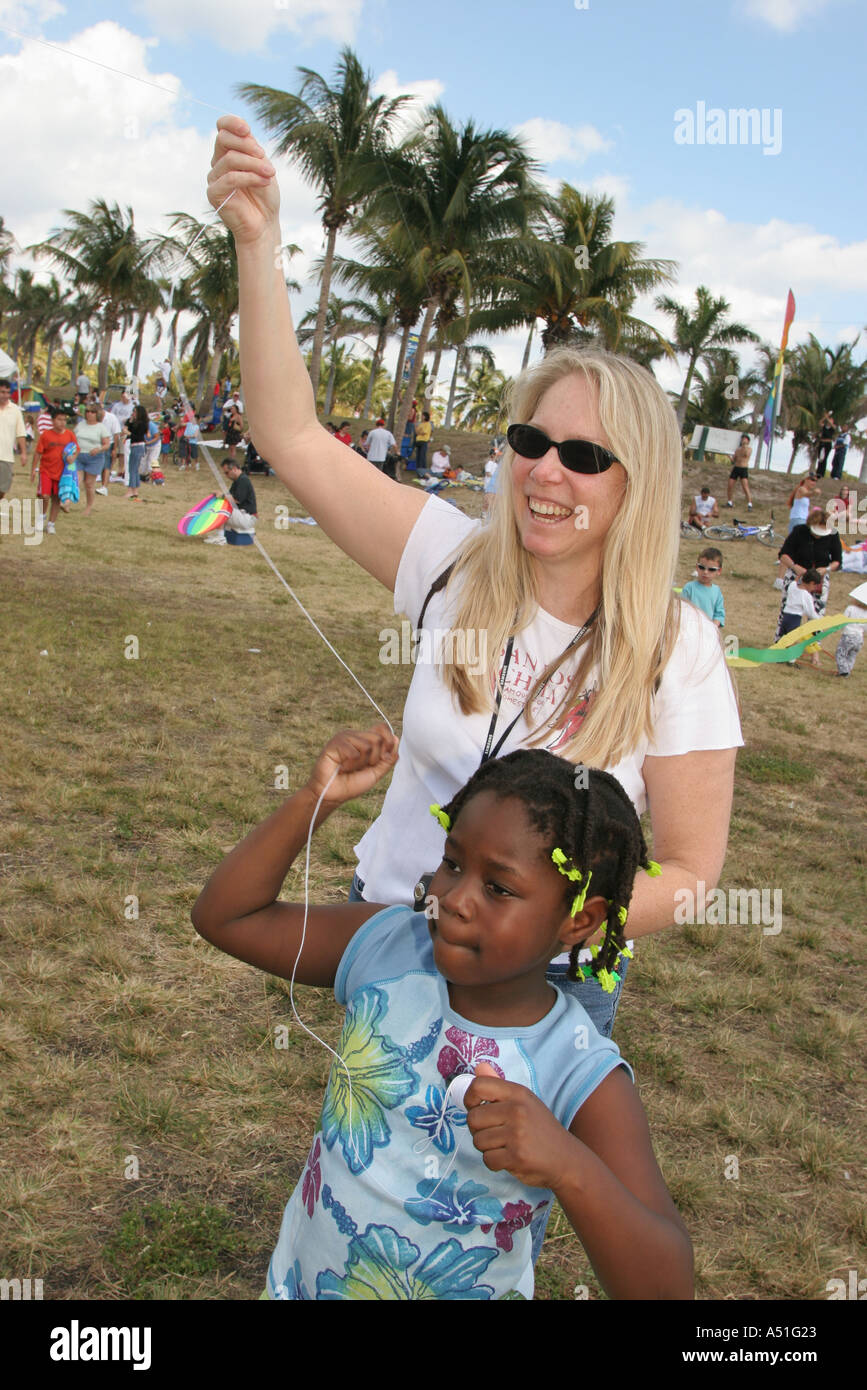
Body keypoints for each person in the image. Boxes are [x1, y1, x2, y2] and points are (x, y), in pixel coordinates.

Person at [206, 114, 742, 1049]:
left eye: (584, 455)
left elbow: (692, 869)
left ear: (638, 483)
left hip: (548, 995)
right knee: (371, 1179)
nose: (546, 473)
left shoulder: (678, 652)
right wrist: (259, 243)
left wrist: (540, 937)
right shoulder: (448, 557)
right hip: (390, 940)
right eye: (532, 442)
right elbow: (289, 435)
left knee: (489, 1197)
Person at [191, 724, 694, 1302]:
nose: (453, 897)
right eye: (453, 863)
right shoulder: (387, 948)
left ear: (578, 921)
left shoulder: (578, 1070)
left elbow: (668, 1286)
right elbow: (226, 917)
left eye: (499, 889)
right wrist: (315, 801)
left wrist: (568, 1165)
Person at [773, 507, 842, 642]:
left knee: (817, 613)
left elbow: (837, 561)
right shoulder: (799, 531)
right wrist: (795, 567)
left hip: (819, 579)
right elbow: (783, 554)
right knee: (788, 610)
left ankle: (813, 647)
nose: (820, 535)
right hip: (797, 577)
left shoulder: (833, 534)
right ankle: (782, 642)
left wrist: (825, 569)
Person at [31, 406, 76, 533]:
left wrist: (73, 457)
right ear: (52, 420)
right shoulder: (46, 435)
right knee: (44, 495)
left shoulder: (70, 435)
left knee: (56, 498)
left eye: (64, 420)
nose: (62, 422)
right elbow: (38, 453)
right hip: (46, 470)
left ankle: (51, 524)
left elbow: (75, 449)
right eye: (59, 419)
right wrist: (33, 469)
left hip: (62, 473)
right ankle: (42, 517)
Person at [204, 458, 258, 545]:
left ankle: (220, 538)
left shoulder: (243, 480)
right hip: (243, 514)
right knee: (219, 504)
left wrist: (222, 495)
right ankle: (219, 534)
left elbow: (237, 499)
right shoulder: (238, 480)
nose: (226, 475)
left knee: (220, 509)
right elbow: (230, 498)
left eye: (227, 472)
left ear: (234, 469)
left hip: (247, 517)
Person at [779, 569, 823, 666]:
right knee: (794, 641)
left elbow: (794, 581)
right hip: (795, 619)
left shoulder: (792, 586)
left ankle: (780, 656)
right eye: (815, 585)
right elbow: (810, 612)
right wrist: (821, 620)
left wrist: (800, 574)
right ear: (811, 583)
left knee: (784, 638)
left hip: (785, 617)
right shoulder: (806, 595)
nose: (815, 588)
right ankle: (791, 661)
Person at [74, 403, 110, 516]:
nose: (89, 414)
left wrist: (99, 449)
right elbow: (72, 437)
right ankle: (67, 502)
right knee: (76, 480)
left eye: (92, 412)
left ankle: (88, 507)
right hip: (79, 456)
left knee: (89, 484)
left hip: (94, 458)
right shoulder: (80, 424)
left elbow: (107, 444)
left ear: (97, 414)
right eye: (88, 411)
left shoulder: (101, 428)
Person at [680, 549, 725, 628]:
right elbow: (682, 610)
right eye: (702, 567)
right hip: (690, 628)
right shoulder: (689, 588)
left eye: (711, 569)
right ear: (697, 567)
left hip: (708, 631)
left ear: (719, 571)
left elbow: (719, 615)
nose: (705, 572)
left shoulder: (717, 591)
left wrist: (712, 627)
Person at [0, 377, 27, 502]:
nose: (5, 395)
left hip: (6, 456)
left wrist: (23, 453)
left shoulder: (15, 410)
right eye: (2, 392)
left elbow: (20, 433)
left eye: (7, 392)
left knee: (3, 488)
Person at [833, 582, 867, 677]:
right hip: (859, 638)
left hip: (848, 636)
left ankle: (844, 671)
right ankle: (847, 670)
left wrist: (838, 628)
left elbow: (843, 621)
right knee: (852, 655)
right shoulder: (866, 613)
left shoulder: (851, 608)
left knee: (840, 654)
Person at [125, 403, 149, 500]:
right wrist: (129, 422)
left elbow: (138, 436)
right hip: (134, 446)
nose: (133, 413)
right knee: (133, 469)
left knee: (133, 469)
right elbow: (128, 428)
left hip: (138, 446)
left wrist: (129, 433)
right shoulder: (135, 423)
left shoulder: (142, 424)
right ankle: (134, 490)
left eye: (135, 412)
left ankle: (131, 490)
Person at [97, 402, 121, 491]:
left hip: (108, 444)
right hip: (97, 443)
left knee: (106, 466)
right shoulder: (95, 417)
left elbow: (116, 434)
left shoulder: (112, 418)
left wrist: (114, 449)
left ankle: (104, 486)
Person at [725, 433, 753, 509]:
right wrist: (729, 457)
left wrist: (745, 446)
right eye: (742, 439)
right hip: (736, 468)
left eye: (744, 439)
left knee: (745, 487)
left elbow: (746, 454)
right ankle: (729, 502)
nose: (743, 440)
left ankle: (749, 503)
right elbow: (734, 460)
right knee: (730, 485)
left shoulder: (749, 449)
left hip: (743, 469)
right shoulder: (738, 450)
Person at [815, 411, 835, 479]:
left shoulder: (833, 428)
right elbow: (820, 422)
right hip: (822, 443)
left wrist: (828, 418)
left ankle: (822, 473)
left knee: (824, 458)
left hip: (827, 444)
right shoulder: (824, 427)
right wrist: (825, 417)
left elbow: (832, 425)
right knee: (820, 458)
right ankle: (818, 472)